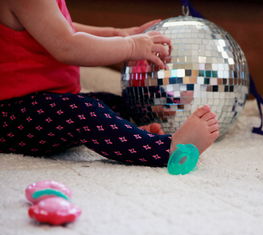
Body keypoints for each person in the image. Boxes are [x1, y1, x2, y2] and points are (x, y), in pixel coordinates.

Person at [0, 0, 219, 167]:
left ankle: (129, 133)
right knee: (84, 112)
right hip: (11, 115)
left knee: (111, 104)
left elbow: (65, 28)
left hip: (43, 104)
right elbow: (67, 46)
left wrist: (118, 34)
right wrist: (130, 46)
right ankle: (166, 150)